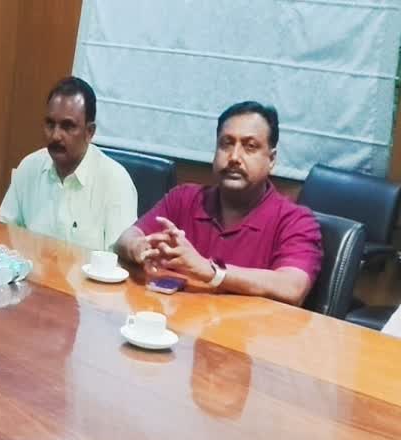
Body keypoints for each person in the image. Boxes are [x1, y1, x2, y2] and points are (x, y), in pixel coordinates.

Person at [115, 101, 321, 306]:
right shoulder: (184, 198)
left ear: (272, 159)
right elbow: (128, 236)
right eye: (226, 144)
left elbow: (293, 287)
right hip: (180, 321)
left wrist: (210, 271)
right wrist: (140, 247)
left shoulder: (295, 220)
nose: (234, 157)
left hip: (246, 327)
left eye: (250, 147)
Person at [0, 77, 137, 251]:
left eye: (67, 126)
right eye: (50, 124)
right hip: (28, 268)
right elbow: (2, 233)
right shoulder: (29, 167)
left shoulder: (116, 182)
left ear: (89, 132)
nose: (55, 136)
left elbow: (120, 260)